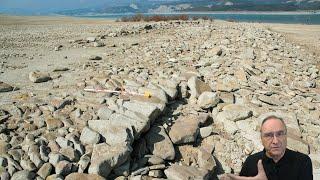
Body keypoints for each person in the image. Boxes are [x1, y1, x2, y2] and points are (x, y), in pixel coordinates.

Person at [221, 115, 313, 180]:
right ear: (261, 139)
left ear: (286, 135)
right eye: (269, 135)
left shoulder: (302, 162)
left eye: (280, 134)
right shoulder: (251, 162)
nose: (275, 141)